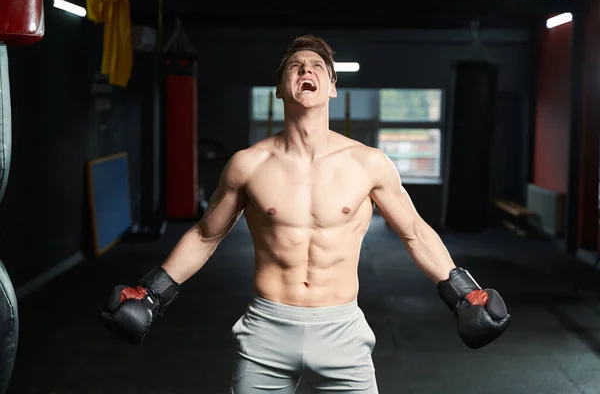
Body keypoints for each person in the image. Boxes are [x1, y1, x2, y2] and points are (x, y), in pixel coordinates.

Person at [100, 35, 510, 393]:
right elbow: (206, 235)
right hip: (266, 327)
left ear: (332, 87)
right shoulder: (249, 164)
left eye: (317, 66)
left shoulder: (368, 163)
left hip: (342, 329)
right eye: (295, 66)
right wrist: (152, 291)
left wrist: (462, 293)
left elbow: (415, 233)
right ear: (280, 88)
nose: (305, 70)